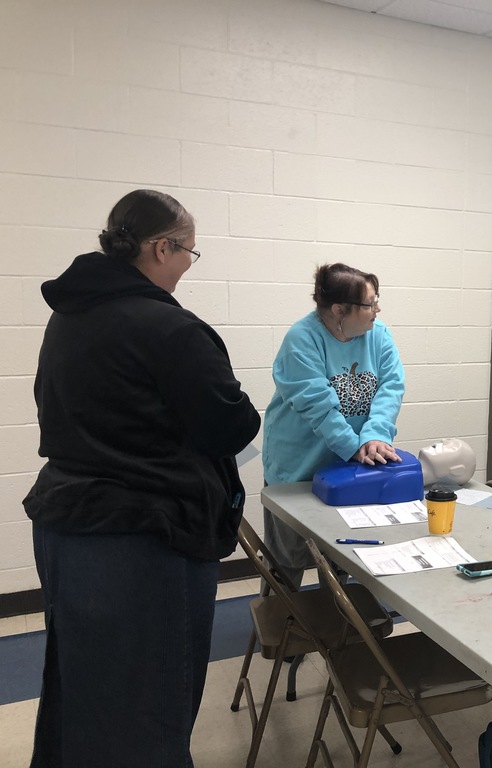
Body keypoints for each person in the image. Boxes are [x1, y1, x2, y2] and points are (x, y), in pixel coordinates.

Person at [23, 189, 261, 767]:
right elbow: (232, 424)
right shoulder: (170, 329)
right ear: (162, 248)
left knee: (85, 693)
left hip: (67, 526)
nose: (187, 266)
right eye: (189, 254)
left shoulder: (70, 316)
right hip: (146, 540)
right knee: (152, 708)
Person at [262, 263, 405, 587]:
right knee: (287, 560)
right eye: (369, 303)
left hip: (351, 467)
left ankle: (343, 627)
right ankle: (280, 627)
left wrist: (375, 436)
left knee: (347, 553)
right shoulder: (302, 339)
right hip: (298, 464)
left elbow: (391, 388)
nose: (377, 309)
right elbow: (319, 407)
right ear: (340, 309)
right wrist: (354, 446)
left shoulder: (378, 334)